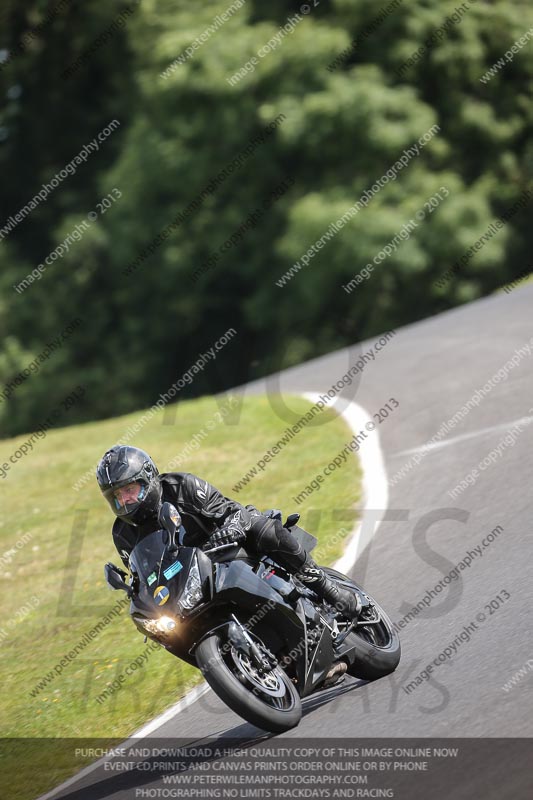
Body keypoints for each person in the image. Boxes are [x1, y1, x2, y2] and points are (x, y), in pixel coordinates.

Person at [96, 445, 360, 619]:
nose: (125, 500)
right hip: (192, 583)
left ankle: (329, 591)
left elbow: (231, 511)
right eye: (117, 496)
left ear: (148, 478)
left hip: (230, 548)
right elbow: (145, 575)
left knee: (262, 527)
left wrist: (230, 528)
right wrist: (135, 591)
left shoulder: (182, 486)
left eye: (129, 490)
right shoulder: (122, 534)